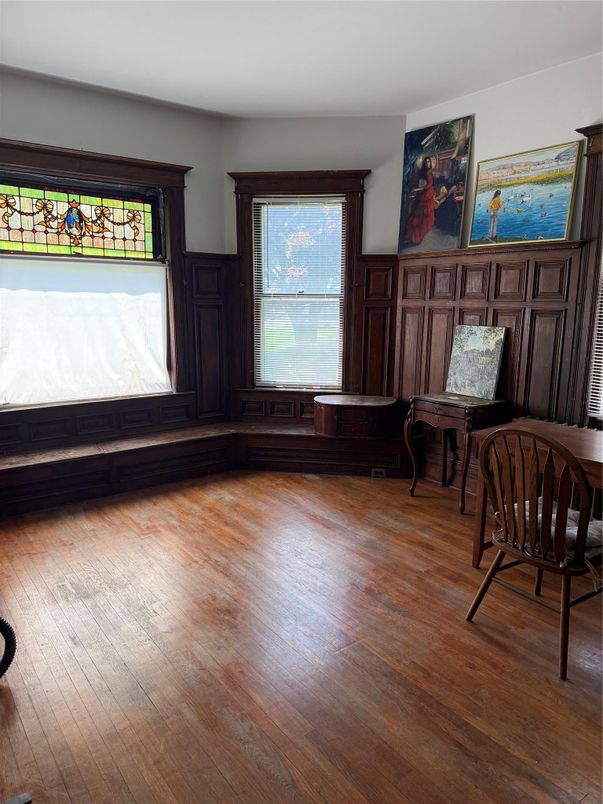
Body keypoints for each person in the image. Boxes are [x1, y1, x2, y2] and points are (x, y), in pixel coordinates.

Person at [405, 156, 436, 246]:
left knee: (425, 217)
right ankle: (415, 237)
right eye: (426, 162)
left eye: (429, 162)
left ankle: (420, 236)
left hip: (429, 194)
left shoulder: (429, 171)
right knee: (420, 216)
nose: (428, 163)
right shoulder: (423, 172)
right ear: (424, 163)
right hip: (424, 194)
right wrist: (420, 188)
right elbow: (420, 184)